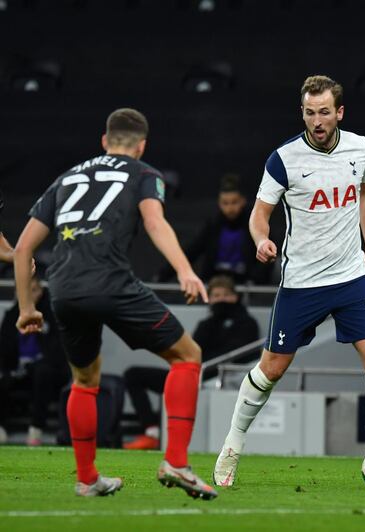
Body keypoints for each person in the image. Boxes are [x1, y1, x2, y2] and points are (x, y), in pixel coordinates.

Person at [213, 75, 365, 489]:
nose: (317, 120)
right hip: (302, 281)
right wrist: (261, 240)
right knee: (272, 367)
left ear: (339, 112)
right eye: (310, 113)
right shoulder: (284, 159)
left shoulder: (360, 147)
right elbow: (259, 215)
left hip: (350, 275)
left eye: (324, 112)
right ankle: (232, 446)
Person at [13, 108, 217, 499]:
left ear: (104, 141)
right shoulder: (143, 173)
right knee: (188, 355)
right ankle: (175, 460)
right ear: (141, 146)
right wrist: (185, 270)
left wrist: (26, 308)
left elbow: (23, 248)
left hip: (64, 289)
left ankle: (88, 479)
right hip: (112, 283)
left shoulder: (66, 178)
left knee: (84, 381)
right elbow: (155, 222)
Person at [124, 274, 260, 450]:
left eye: (226, 295)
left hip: (221, 379)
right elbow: (192, 351)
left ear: (235, 297)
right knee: (134, 375)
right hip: (195, 374)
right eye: (216, 296)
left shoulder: (247, 323)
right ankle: (152, 432)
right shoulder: (206, 324)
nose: (222, 300)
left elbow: (241, 356)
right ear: (209, 299)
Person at [0, 276, 70, 446]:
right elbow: (4, 348)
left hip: (49, 371)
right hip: (19, 370)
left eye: (34, 290)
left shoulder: (52, 316)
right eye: (25, 291)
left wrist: (38, 330)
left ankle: (36, 429)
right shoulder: (11, 316)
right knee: (3, 377)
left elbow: (59, 351)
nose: (30, 295)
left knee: (42, 371)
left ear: (41, 291)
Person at [158, 173, 259, 283]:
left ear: (243, 201)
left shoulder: (255, 226)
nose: (230, 208)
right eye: (225, 203)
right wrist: (162, 276)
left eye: (234, 202)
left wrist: (255, 280)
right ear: (219, 203)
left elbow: (265, 257)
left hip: (246, 283)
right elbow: (191, 252)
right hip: (214, 282)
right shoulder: (213, 226)